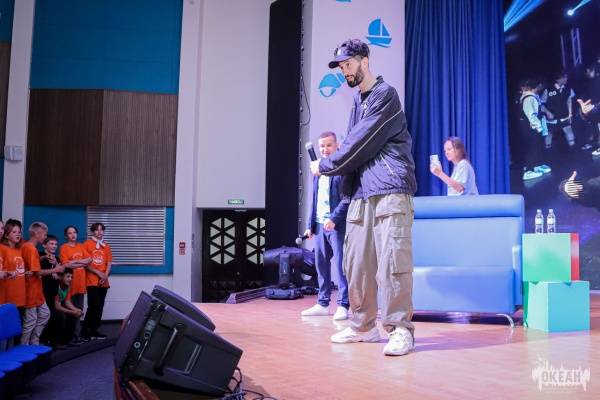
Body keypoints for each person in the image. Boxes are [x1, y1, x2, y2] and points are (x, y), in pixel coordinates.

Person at [310, 39, 417, 356]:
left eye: (348, 64)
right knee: (356, 264)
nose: (345, 71)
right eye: (341, 66)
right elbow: (352, 151)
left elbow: (358, 143)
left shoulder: (386, 94)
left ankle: (400, 329)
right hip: (360, 194)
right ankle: (363, 327)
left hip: (390, 189)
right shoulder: (357, 101)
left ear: (364, 61)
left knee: (393, 264)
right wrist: (345, 195)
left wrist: (324, 165)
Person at [301, 132, 350, 321]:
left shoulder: (342, 168)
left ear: (337, 145)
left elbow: (347, 199)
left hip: (337, 225)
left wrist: (334, 219)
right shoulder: (318, 171)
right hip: (321, 225)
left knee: (341, 265)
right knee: (321, 264)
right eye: (322, 146)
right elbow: (315, 200)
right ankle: (323, 303)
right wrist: (311, 226)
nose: (325, 149)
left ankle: (343, 305)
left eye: (329, 145)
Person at [21, 222, 64, 345]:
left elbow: (31, 263)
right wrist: (56, 269)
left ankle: (34, 342)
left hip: (37, 291)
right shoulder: (30, 248)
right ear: (37, 234)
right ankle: (24, 347)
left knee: (45, 314)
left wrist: (43, 258)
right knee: (30, 321)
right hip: (31, 290)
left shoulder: (29, 248)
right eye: (44, 235)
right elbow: (38, 272)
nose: (45, 237)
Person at [59, 226, 92, 343]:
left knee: (78, 311)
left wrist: (74, 261)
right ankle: (68, 337)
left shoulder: (81, 246)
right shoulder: (64, 248)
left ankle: (77, 336)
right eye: (70, 233)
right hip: (69, 285)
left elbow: (89, 259)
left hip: (80, 284)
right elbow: (66, 265)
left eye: (74, 233)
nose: (73, 235)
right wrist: (81, 263)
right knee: (69, 312)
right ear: (66, 235)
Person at [81, 222, 112, 340]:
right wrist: (98, 272)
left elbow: (109, 262)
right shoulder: (86, 244)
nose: (99, 232)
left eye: (101, 230)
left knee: (100, 305)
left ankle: (94, 329)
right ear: (92, 232)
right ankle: (85, 330)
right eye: (97, 230)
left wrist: (105, 275)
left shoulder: (106, 246)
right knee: (93, 305)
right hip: (92, 279)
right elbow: (85, 263)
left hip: (103, 280)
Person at [519, 78, 551, 180]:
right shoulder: (529, 98)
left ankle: (536, 166)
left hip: (535, 126)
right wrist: (538, 126)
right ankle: (528, 171)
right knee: (531, 148)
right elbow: (530, 114)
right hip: (531, 127)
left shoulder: (534, 96)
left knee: (536, 147)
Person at [49, 268, 84, 350]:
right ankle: (56, 342)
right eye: (68, 277)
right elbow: (56, 306)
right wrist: (73, 312)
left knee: (71, 315)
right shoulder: (56, 286)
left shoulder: (67, 286)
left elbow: (67, 301)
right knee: (61, 316)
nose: (70, 279)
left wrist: (75, 310)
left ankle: (67, 340)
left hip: (57, 306)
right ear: (60, 277)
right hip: (50, 307)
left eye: (71, 277)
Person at [541, 71, 576, 149]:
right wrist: (547, 112)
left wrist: (570, 113)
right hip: (552, 118)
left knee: (568, 130)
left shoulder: (568, 89)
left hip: (564, 116)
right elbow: (541, 104)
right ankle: (548, 149)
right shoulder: (548, 90)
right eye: (564, 77)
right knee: (549, 133)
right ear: (558, 79)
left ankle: (573, 148)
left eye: (566, 77)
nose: (566, 79)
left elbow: (569, 101)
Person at [577, 63, 600, 155]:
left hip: (596, 108)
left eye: (588, 71)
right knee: (595, 126)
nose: (586, 73)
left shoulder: (596, 81)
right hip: (593, 108)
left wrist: (595, 106)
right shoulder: (591, 82)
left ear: (592, 71)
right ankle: (595, 143)